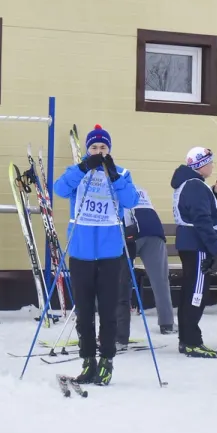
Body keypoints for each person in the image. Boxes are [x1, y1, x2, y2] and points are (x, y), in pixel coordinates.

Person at [51, 125, 143, 386]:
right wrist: (82, 168)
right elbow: (59, 189)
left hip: (110, 253)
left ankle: (107, 361)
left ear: (110, 150)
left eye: (103, 148)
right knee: (84, 311)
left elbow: (131, 200)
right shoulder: (78, 173)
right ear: (87, 150)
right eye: (94, 148)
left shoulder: (121, 173)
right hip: (81, 252)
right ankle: (88, 360)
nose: (99, 152)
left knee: (108, 309)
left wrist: (115, 176)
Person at [168, 146, 217, 359]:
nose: (211, 166)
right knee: (197, 293)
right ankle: (192, 341)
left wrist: (215, 194)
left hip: (190, 243)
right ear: (200, 165)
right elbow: (202, 219)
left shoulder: (189, 184)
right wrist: (215, 250)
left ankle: (186, 339)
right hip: (197, 244)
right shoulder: (195, 186)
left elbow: (201, 212)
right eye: (209, 162)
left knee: (190, 290)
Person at [116, 186, 175, 345]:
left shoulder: (114, 189)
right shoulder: (142, 191)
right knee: (160, 280)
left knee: (122, 280)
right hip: (154, 230)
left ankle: (119, 329)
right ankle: (167, 323)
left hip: (130, 231)